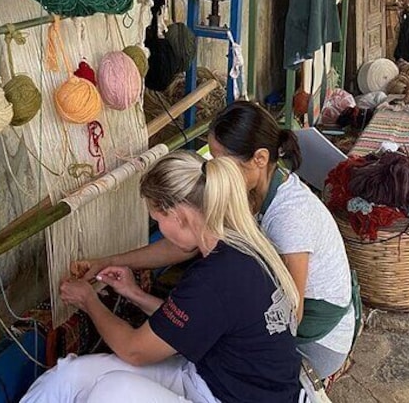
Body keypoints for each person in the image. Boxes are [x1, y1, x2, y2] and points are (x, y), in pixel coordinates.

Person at [75, 101, 356, 379]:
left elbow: (290, 316)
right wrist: (109, 261)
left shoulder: (289, 217)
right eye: (212, 158)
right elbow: (184, 244)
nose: (213, 170)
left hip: (315, 342)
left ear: (259, 159)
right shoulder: (242, 193)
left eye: (222, 161)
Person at [20, 151, 301, 403]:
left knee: (111, 393)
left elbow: (134, 351)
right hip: (209, 377)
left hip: (225, 395)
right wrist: (133, 292)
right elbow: (197, 322)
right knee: (69, 376)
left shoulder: (216, 278)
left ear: (179, 216)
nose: (161, 229)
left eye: (158, 220)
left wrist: (89, 300)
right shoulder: (240, 247)